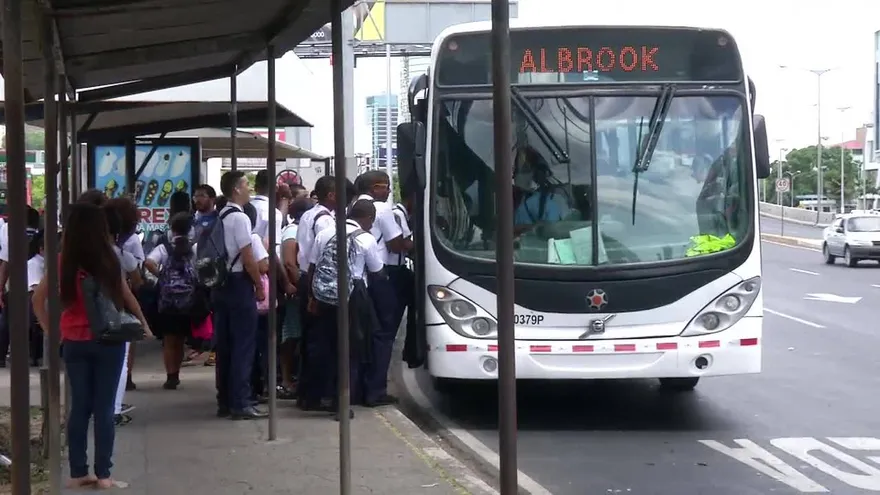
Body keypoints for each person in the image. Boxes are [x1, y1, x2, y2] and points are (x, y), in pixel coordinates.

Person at [31, 203, 152, 489]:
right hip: (109, 341)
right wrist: (144, 325)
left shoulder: (61, 261)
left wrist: (53, 331)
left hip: (74, 342)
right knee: (104, 408)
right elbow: (127, 296)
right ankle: (104, 474)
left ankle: (78, 472)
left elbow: (37, 300)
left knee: (79, 408)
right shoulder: (109, 259)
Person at [305, 199, 384, 417]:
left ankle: (320, 396)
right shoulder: (366, 238)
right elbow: (377, 271)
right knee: (350, 350)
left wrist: (312, 296)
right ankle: (343, 402)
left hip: (324, 296)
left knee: (326, 346)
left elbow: (312, 267)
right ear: (368, 218)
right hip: (352, 298)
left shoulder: (325, 234)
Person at [212, 171, 268, 420]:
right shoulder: (240, 217)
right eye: (246, 185)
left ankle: (224, 399)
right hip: (238, 283)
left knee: (225, 345)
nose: (249, 190)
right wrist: (258, 285)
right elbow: (248, 257)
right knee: (243, 345)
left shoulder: (220, 215)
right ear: (236, 189)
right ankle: (241, 402)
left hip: (220, 283)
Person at [355, 170, 408, 406]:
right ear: (374, 188)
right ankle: (376, 390)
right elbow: (396, 245)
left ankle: (358, 387)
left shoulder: (353, 206)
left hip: (360, 276)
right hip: (381, 274)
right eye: (385, 186)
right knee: (384, 334)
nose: (388, 191)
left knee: (363, 333)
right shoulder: (382, 209)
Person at [144, 213, 206, 390]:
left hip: (167, 302)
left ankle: (170, 375)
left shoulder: (164, 249)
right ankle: (176, 372)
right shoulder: (194, 249)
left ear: (172, 230)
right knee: (180, 339)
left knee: (169, 340)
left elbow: (148, 262)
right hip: (188, 301)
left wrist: (161, 276)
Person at [295, 176, 337, 405]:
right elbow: (324, 257)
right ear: (331, 195)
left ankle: (307, 392)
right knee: (322, 341)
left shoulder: (308, 215)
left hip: (305, 278)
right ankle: (317, 394)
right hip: (318, 282)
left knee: (310, 338)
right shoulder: (325, 221)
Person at [104, 201, 144, 426]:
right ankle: (114, 409)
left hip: (87, 316)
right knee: (119, 363)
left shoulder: (82, 254)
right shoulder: (121, 255)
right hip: (116, 313)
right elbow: (134, 284)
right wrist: (143, 322)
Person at [278, 197, 313, 399]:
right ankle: (286, 379)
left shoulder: (298, 230)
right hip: (295, 292)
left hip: (298, 289)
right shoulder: (293, 231)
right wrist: (302, 285)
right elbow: (290, 263)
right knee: (291, 336)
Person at [0, 206, 41, 367]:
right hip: (36, 284)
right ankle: (32, 354)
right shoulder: (39, 235)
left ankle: (3, 355)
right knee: (31, 321)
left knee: (8, 320)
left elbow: (6, 264)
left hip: (17, 284)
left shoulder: (12, 235)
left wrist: (1, 287)